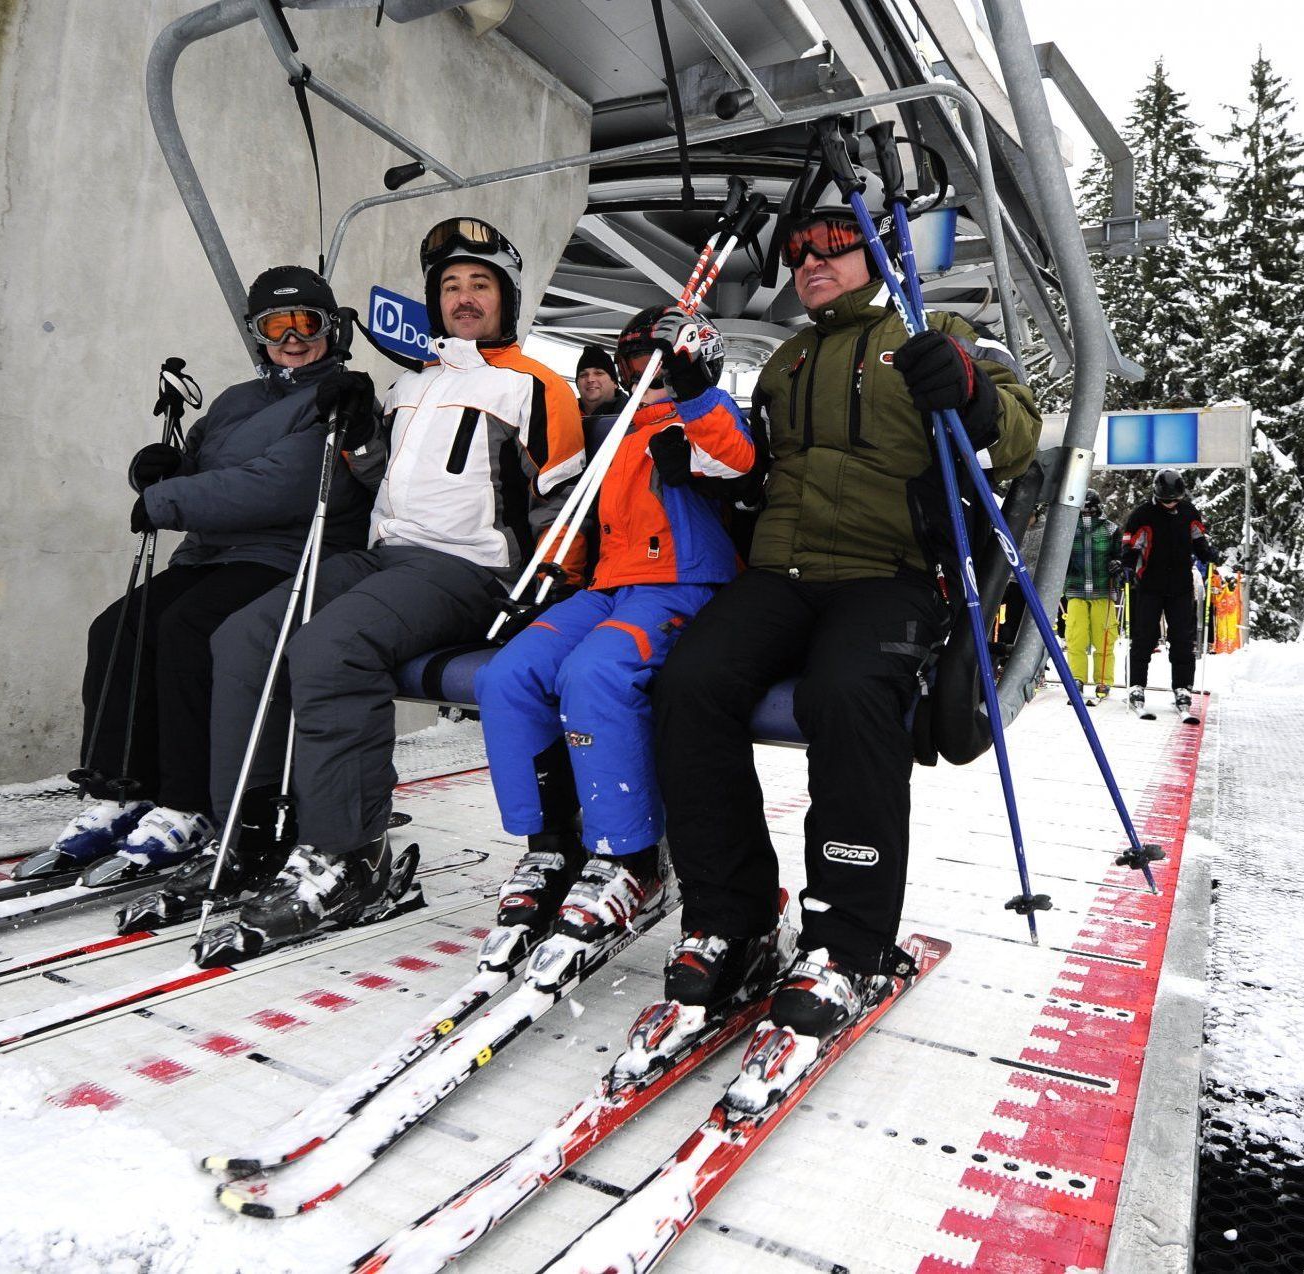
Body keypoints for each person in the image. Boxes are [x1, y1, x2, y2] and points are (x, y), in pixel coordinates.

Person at [650, 174, 1042, 1040]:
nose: (810, 259)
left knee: (850, 696)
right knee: (688, 683)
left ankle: (846, 939)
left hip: (889, 570)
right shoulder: (787, 362)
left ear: (876, 248)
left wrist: (970, 390)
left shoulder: (939, 334)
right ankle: (732, 914)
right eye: (797, 248)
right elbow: (762, 471)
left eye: (832, 240)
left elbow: (1016, 432)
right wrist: (705, 465)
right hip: (782, 573)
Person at [194, 217, 586, 960]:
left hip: (468, 571)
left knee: (331, 650)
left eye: (479, 285)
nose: (464, 298)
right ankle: (248, 828)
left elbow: (561, 506)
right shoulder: (413, 385)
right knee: (245, 636)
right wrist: (362, 439)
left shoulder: (537, 388)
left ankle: (349, 856)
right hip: (386, 557)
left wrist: (553, 592)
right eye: (450, 286)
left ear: (506, 296)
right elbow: (384, 486)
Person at [24, 266, 373, 880]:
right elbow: (198, 467)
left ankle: (190, 805)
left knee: (190, 630)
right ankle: (122, 788)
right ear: (258, 334)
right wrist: (159, 471)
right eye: (275, 325)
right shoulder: (238, 400)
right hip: (210, 554)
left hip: (284, 554)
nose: (292, 338)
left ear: (332, 328)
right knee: (117, 628)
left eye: (307, 323)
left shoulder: (339, 398)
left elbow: (279, 486)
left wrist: (166, 501)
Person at [474, 305, 752, 958]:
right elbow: (581, 518)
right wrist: (548, 579)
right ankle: (551, 845)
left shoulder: (704, 413)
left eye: (656, 363)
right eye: (633, 365)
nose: (642, 376)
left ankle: (631, 858)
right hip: (610, 585)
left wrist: (694, 397)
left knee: (595, 673)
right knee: (508, 675)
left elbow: (738, 465)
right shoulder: (618, 430)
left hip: (683, 582)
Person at [1120, 469, 1221, 718]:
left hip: (1180, 586)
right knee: (1144, 637)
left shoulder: (1189, 512)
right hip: (1149, 584)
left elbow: (1199, 540)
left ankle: (1183, 687)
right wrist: (1126, 566)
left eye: (1174, 500)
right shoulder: (1142, 514)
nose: (1170, 504)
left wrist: (1208, 554)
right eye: (1166, 500)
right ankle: (1136, 685)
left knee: (1183, 640)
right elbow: (1130, 544)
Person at [1063, 488, 1122, 700]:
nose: (1086, 514)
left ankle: (1103, 680)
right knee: (1076, 637)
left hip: (1102, 591)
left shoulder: (1110, 529)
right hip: (1076, 590)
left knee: (1104, 637)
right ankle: (1076, 677)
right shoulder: (1069, 529)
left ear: (1098, 508)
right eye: (1083, 510)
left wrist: (1119, 564)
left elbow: (1121, 555)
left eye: (1090, 510)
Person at [574, 344, 629, 450]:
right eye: (583, 375)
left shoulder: (635, 416)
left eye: (598, 373)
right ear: (577, 383)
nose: (590, 379)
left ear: (615, 383)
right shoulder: (562, 416)